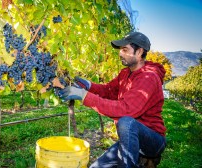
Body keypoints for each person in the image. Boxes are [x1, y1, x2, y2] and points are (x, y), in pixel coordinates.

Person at [59, 32, 167, 168]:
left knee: (126, 122)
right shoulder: (125, 73)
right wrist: (89, 85)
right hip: (130, 138)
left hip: (152, 140)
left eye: (125, 49)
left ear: (139, 52)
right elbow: (109, 91)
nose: (120, 53)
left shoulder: (148, 78)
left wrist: (84, 96)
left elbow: (126, 110)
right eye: (120, 50)